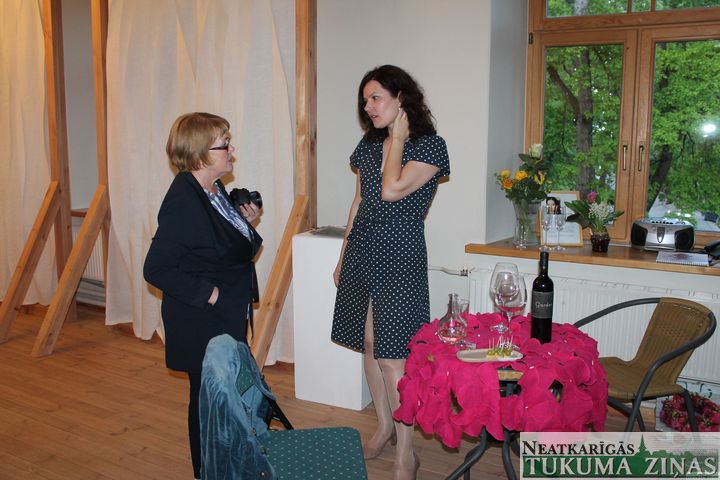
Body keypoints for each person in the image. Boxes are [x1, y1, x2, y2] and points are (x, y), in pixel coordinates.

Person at [331, 65, 449, 480]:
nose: (368, 106)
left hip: (400, 255)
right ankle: (383, 426)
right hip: (363, 249)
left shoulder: (429, 147)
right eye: (365, 100)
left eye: (376, 97)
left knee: (393, 358)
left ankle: (406, 453)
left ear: (401, 98)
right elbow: (360, 202)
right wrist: (343, 255)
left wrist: (398, 138)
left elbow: (391, 189)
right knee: (368, 345)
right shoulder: (368, 144)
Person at [143, 112, 262, 480]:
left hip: (224, 312)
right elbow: (156, 268)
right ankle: (205, 470)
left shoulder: (213, 190)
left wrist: (245, 223)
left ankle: (228, 460)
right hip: (200, 318)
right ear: (199, 154)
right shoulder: (184, 200)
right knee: (205, 398)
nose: (232, 150)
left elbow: (218, 245)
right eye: (224, 145)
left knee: (224, 394)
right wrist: (211, 295)